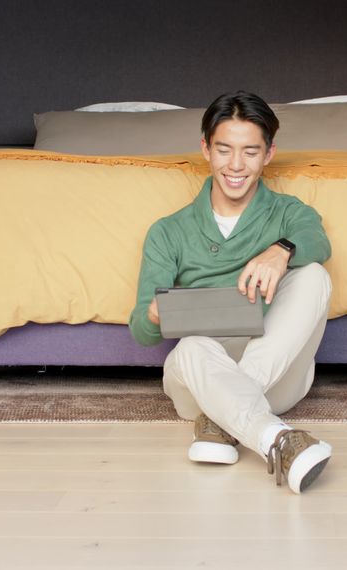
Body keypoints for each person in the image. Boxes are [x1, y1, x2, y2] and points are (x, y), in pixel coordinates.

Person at [128, 91, 334, 494]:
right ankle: (277, 440)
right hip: (196, 382)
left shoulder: (289, 213)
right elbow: (139, 331)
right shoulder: (168, 231)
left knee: (314, 275)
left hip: (276, 376)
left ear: (269, 154)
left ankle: (222, 419)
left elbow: (318, 242)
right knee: (190, 350)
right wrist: (154, 313)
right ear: (206, 149)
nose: (236, 166)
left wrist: (282, 250)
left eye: (250, 152)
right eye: (224, 150)